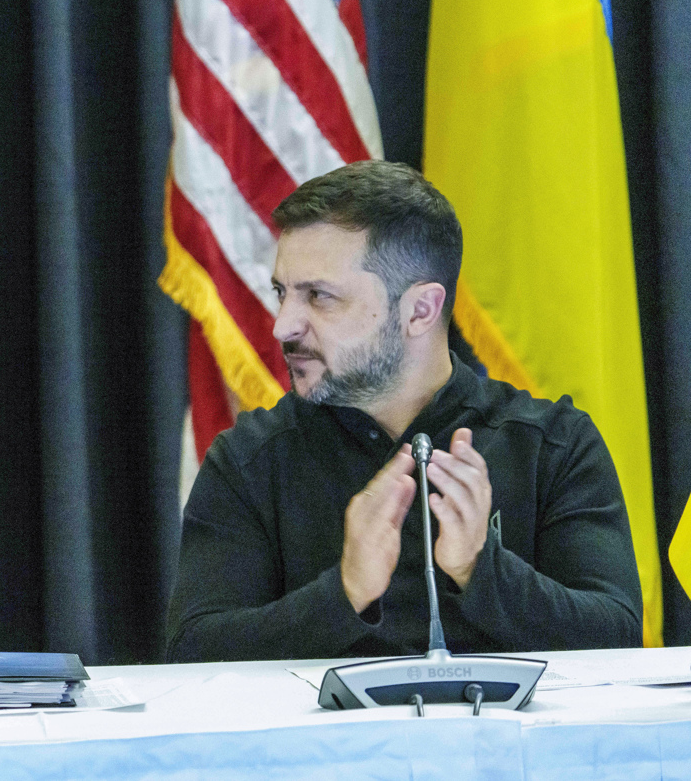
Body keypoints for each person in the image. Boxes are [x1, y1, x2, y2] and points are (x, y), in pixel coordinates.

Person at [166, 160, 642, 662]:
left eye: (319, 298)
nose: (283, 326)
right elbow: (192, 654)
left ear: (420, 310)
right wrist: (343, 594)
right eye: (283, 293)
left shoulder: (552, 445)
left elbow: (618, 641)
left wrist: (483, 571)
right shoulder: (249, 459)